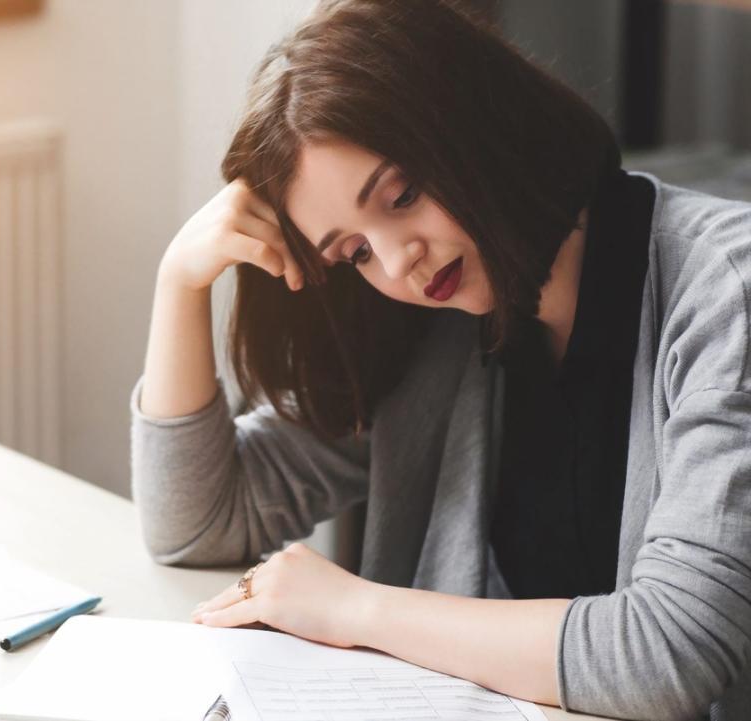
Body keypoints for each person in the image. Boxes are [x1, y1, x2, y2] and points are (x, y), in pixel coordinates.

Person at [130, 1, 751, 719]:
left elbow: (669, 652)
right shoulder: (435, 328)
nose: (398, 262)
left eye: (403, 195)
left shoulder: (726, 291)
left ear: (474, 119)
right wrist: (179, 282)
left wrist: (356, 608)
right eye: (355, 252)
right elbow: (199, 523)